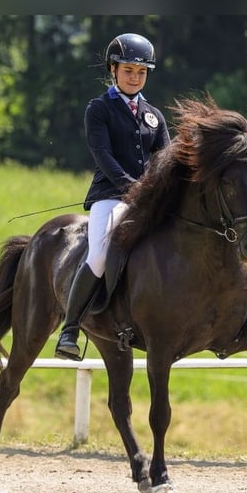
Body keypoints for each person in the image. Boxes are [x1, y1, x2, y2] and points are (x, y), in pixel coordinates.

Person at [55, 32, 171, 361]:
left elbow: (165, 159)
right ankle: (70, 329)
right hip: (110, 196)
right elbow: (102, 155)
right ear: (113, 69)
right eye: (129, 70)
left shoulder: (154, 116)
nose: (135, 77)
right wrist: (132, 187)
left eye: (141, 72)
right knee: (100, 254)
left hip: (146, 199)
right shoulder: (99, 109)